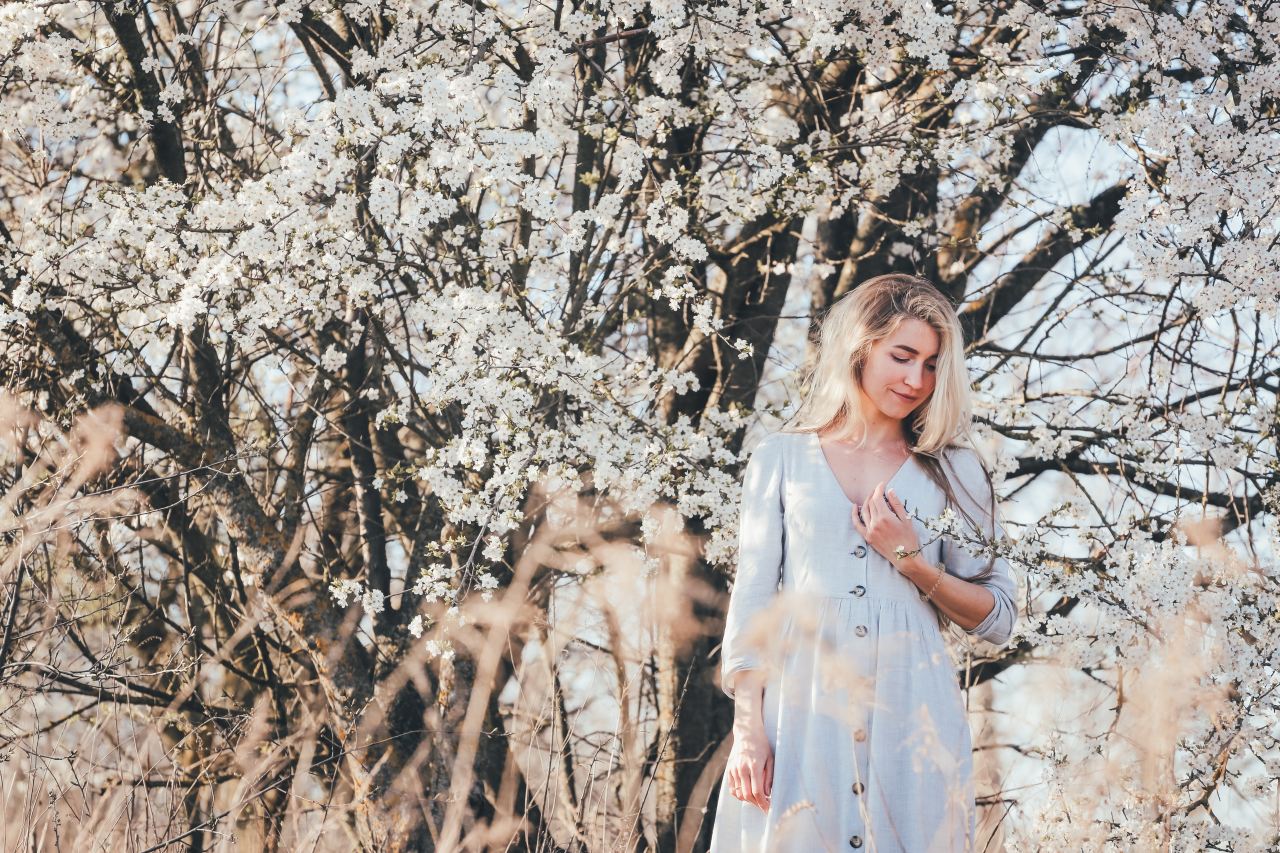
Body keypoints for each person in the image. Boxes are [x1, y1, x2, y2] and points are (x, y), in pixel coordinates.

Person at [707, 274, 1019, 852]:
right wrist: (749, 731)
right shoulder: (780, 458)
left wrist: (913, 562)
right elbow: (753, 604)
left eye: (931, 365)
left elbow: (998, 619)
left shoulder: (955, 470)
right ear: (859, 348)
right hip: (801, 709)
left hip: (912, 713)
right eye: (902, 357)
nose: (915, 380)